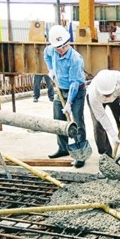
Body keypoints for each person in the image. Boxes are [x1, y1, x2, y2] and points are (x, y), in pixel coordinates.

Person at [45, 24, 88, 168]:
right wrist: (50, 69)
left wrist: (69, 103)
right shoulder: (52, 50)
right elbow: (46, 54)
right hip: (60, 89)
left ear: (68, 42)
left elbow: (75, 83)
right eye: (59, 47)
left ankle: (80, 153)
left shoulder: (75, 59)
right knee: (58, 119)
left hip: (77, 91)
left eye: (64, 46)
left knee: (76, 121)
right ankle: (63, 148)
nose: (62, 49)